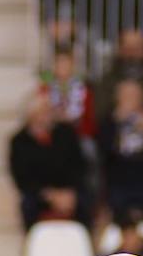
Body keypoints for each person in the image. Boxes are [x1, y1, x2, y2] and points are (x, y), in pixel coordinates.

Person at [8, 97, 89, 229]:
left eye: (47, 111)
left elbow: (79, 166)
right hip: (40, 194)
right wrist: (50, 195)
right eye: (40, 112)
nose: (45, 116)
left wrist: (68, 193)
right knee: (28, 205)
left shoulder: (66, 133)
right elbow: (22, 178)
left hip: (68, 190)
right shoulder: (19, 142)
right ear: (30, 116)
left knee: (85, 201)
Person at [98, 80, 143, 221]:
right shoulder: (109, 119)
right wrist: (115, 126)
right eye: (126, 96)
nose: (131, 101)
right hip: (119, 178)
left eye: (134, 96)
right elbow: (103, 152)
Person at [92, 28, 143, 122]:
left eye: (137, 48)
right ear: (120, 50)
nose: (132, 54)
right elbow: (100, 111)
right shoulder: (109, 77)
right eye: (128, 49)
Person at [38, 48, 94, 141]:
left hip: (77, 135)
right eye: (59, 63)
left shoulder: (83, 89)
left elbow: (89, 118)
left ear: (72, 66)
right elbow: (39, 115)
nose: (62, 67)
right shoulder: (45, 89)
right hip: (52, 134)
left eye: (66, 63)